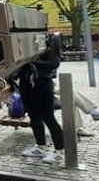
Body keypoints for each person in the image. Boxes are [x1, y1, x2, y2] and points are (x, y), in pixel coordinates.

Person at [19, 36, 65, 164]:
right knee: (34, 117)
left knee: (48, 118)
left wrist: (30, 63)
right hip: (27, 85)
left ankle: (60, 150)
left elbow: (54, 63)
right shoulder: (24, 45)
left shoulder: (48, 43)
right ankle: (41, 146)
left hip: (42, 84)